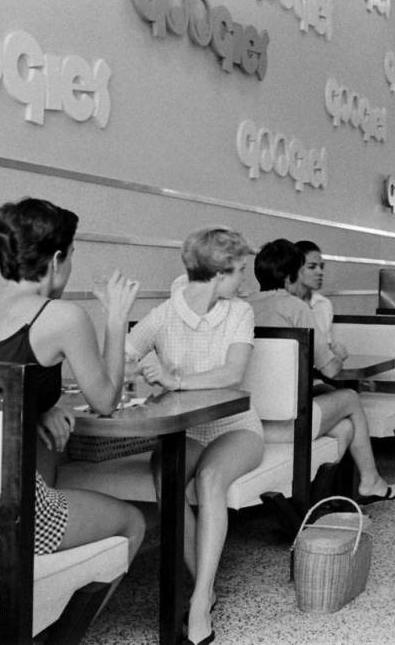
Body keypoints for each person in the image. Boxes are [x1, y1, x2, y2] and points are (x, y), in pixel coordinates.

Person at [0, 198, 146, 569]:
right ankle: (71, 629)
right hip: (3, 517)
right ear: (57, 260)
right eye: (71, 256)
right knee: (132, 522)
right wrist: (117, 319)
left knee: (47, 468)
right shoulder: (62, 317)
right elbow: (106, 401)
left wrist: (38, 406)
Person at [127, 226, 265, 645]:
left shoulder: (239, 312)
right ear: (220, 273)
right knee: (165, 475)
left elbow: (232, 374)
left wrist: (175, 378)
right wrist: (139, 370)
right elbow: (123, 356)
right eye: (241, 270)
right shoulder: (166, 313)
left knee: (208, 480)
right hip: (187, 431)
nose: (246, 280)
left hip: (237, 427)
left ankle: (201, 597)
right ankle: (203, 580)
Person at [247, 238, 395, 504]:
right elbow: (329, 368)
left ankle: (312, 499)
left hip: (249, 421)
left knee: (343, 427)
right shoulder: (297, 308)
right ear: (291, 276)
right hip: (290, 424)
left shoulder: (244, 307)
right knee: (350, 398)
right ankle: (369, 480)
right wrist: (338, 354)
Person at [293, 240, 348, 363]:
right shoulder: (285, 304)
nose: (320, 272)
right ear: (295, 269)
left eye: (321, 267)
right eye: (312, 267)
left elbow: (325, 349)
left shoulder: (324, 304)